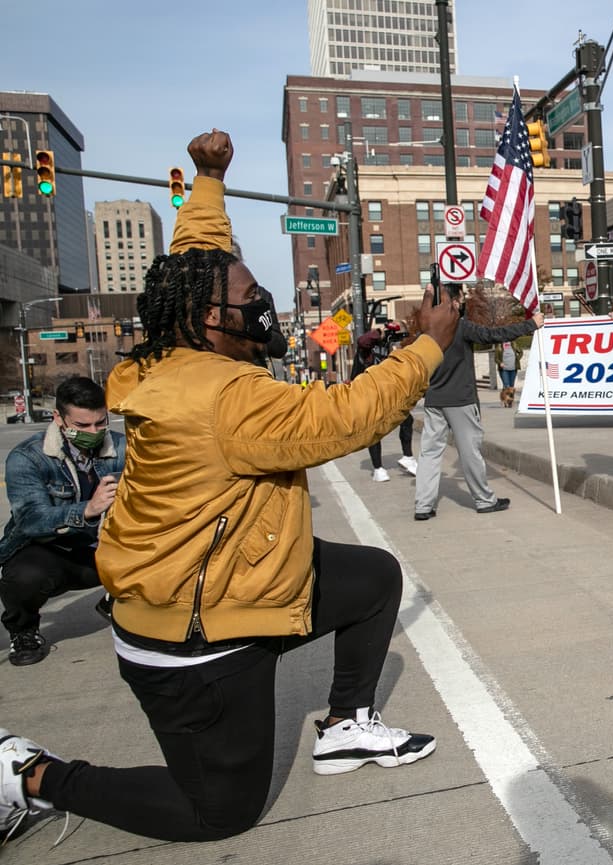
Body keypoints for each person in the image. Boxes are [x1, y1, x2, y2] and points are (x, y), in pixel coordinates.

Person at [0, 129, 461, 843]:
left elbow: (200, 255)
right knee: (218, 812)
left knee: (371, 578)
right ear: (215, 319)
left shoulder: (177, 349)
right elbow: (347, 416)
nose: (263, 302)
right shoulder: (229, 397)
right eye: (252, 296)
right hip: (193, 638)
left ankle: (346, 726)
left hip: (228, 582)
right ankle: (31, 775)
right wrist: (428, 345)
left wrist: (208, 180)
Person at [0, 376, 125, 666]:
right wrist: (87, 510)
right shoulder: (28, 457)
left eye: (100, 423)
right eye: (82, 426)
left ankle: (118, 601)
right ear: (59, 418)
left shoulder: (123, 446)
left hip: (106, 548)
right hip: (51, 549)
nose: (93, 432)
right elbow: (31, 519)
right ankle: (24, 629)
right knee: (25, 576)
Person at [413, 296, 543, 520]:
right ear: (453, 304)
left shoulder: (425, 331)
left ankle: (423, 506)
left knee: (429, 453)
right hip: (460, 400)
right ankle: (484, 500)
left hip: (434, 399)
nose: (461, 303)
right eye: (458, 300)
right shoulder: (460, 327)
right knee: (469, 452)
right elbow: (494, 334)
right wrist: (531, 324)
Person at [351, 323, 418, 480]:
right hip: (365, 392)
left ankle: (408, 457)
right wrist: (379, 332)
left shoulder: (387, 348)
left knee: (406, 419)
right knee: (375, 429)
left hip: (383, 392)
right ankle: (378, 469)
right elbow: (362, 341)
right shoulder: (366, 348)